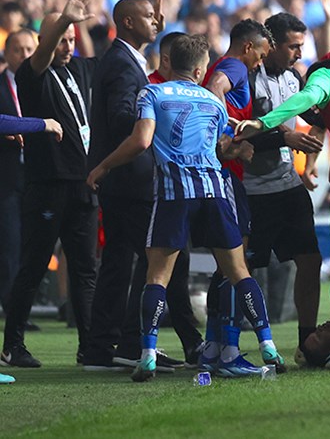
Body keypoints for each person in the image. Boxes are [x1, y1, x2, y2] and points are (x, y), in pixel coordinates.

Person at [87, 35, 285, 381]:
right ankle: (268, 344)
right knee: (239, 272)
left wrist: (103, 166)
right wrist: (237, 151)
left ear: (169, 63)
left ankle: (147, 354)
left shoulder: (152, 93)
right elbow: (222, 146)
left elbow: (142, 141)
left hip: (174, 193)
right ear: (199, 69)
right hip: (215, 193)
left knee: (157, 277)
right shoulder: (212, 100)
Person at [84, 0, 201, 372]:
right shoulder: (121, 64)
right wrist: (152, 121)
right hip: (132, 180)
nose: (155, 21)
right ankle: (134, 343)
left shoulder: (124, 58)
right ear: (128, 22)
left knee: (119, 262)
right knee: (159, 262)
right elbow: (121, 117)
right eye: (148, 17)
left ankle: (101, 349)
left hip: (121, 180)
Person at [2, 0, 99, 369]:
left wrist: (75, 26)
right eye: (62, 40)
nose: (67, 47)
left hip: (83, 183)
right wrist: (62, 22)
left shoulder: (78, 70)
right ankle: (13, 345)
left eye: (72, 40)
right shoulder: (32, 75)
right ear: (47, 41)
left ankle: (90, 345)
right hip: (48, 184)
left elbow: (102, 59)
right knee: (34, 264)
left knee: (85, 269)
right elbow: (41, 57)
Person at [241, 13, 324, 365]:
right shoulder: (246, 78)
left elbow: (318, 118)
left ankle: (307, 342)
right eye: (293, 46)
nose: (298, 54)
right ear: (270, 44)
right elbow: (235, 135)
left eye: (302, 47)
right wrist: (283, 137)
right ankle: (223, 340)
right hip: (252, 191)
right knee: (239, 269)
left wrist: (312, 159)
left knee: (309, 259)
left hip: (289, 186)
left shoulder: (294, 77)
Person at [200, 18, 272, 376]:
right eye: (260, 55)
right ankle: (229, 351)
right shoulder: (233, 67)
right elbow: (215, 88)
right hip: (226, 176)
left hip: (219, 177)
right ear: (248, 48)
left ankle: (213, 346)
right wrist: (225, 141)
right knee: (235, 263)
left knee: (226, 265)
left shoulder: (222, 64)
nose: (260, 63)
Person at [0, 30, 38, 318]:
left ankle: (23, 307)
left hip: (40, 175)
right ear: (7, 53)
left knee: (33, 243)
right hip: (8, 177)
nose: (24, 55)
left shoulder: (45, 83)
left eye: (29, 49)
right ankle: (12, 308)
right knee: (10, 244)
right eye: (18, 49)